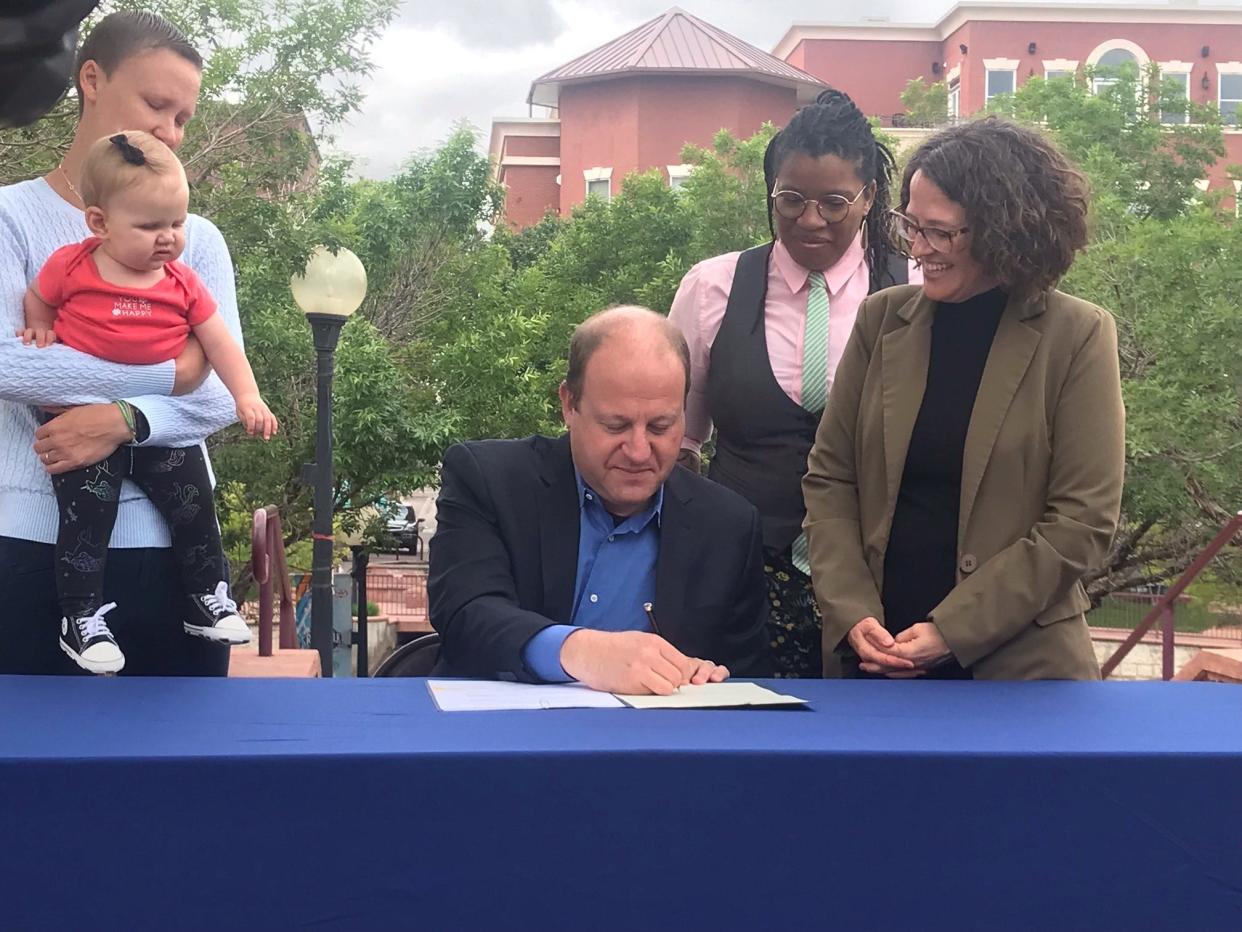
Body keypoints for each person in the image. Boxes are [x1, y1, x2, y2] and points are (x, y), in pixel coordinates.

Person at [803, 116, 1125, 680]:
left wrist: (954, 630)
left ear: (1004, 232)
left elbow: (1081, 521)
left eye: (940, 232)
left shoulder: (1078, 336)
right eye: (909, 225)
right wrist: (852, 612)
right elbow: (831, 479)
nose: (916, 248)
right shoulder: (881, 320)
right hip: (874, 666)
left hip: (1020, 678)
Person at [0, 11, 242, 676]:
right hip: (25, 547)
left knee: (182, 772)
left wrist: (124, 420)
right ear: (91, 79)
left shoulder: (197, 238)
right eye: (156, 104)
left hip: (178, 560)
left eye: (184, 117)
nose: (169, 130)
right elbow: (6, 362)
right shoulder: (10, 217)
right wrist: (171, 375)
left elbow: (223, 391)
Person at [668, 88, 909, 677]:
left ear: (868, 196)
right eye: (791, 199)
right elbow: (677, 444)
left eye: (833, 202)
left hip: (881, 584)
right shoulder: (711, 288)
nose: (810, 219)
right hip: (739, 577)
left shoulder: (919, 293)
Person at [19, 130, 278, 673]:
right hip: (79, 423)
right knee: (87, 519)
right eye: (149, 226)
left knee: (193, 503)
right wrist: (41, 324)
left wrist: (247, 395)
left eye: (176, 223)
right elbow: (38, 297)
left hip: (156, 426)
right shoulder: (72, 265)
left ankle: (208, 597)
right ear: (99, 223)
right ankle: (81, 619)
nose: (168, 239)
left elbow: (220, 342)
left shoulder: (181, 281)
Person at [428, 306, 772, 694]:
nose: (639, 451)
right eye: (616, 425)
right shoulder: (489, 479)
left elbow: (746, 676)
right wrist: (580, 651)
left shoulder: (729, 525)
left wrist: (711, 677)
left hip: (656, 746)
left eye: (661, 426)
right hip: (499, 740)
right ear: (568, 405)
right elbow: (464, 612)